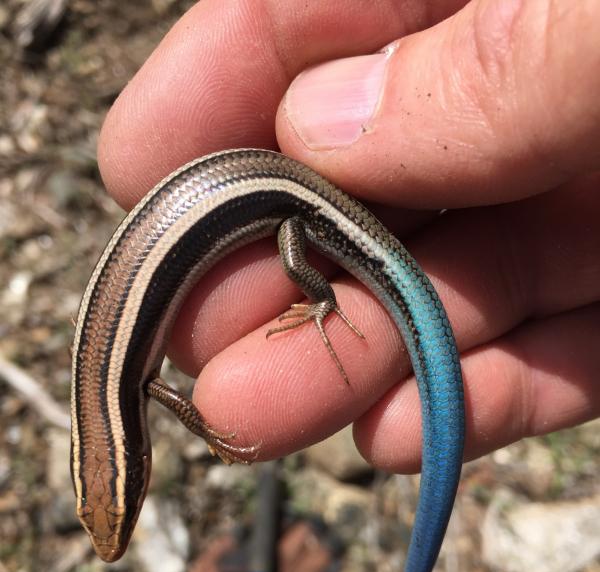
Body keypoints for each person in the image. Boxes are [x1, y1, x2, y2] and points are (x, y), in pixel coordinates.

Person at [97, 0, 600, 472]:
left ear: (137, 462)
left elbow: (175, 398)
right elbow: (168, 392)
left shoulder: (132, 384)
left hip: (289, 208)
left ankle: (325, 300)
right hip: (268, 196)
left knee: (295, 267)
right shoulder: (132, 387)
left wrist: (206, 426)